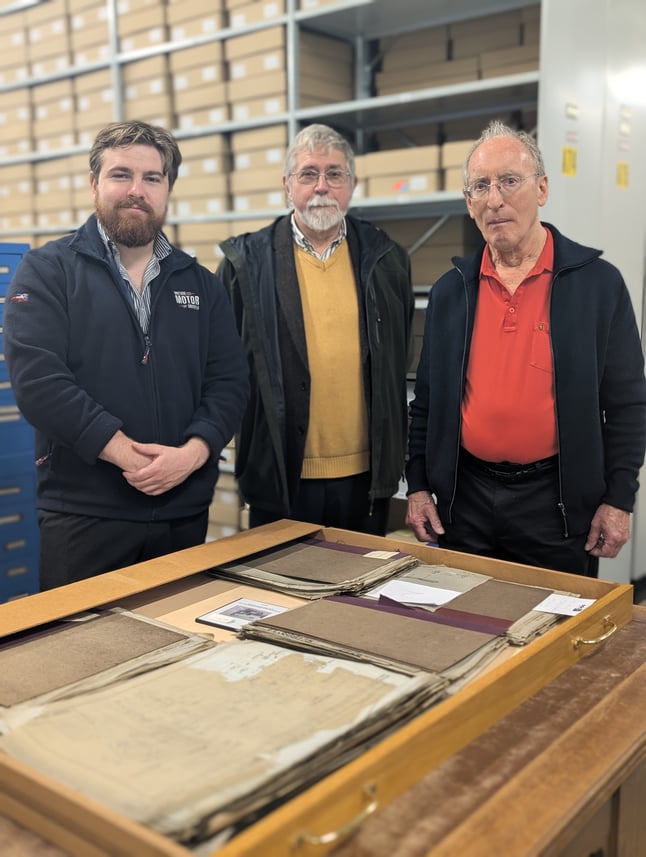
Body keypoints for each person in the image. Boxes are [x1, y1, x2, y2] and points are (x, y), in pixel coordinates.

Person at [4, 120, 249, 590]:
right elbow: (39, 383)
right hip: (84, 514)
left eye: (152, 178)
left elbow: (229, 383)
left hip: (182, 511)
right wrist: (128, 458)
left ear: (167, 189)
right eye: (121, 175)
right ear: (94, 184)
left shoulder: (199, 283)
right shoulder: (47, 272)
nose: (136, 190)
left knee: (180, 653)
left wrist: (193, 455)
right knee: (82, 657)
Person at [406, 119, 646, 577]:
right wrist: (418, 485)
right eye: (480, 186)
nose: (494, 199)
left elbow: (628, 405)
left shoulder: (597, 285)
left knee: (553, 636)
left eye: (509, 181)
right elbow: (428, 402)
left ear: (542, 189)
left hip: (555, 506)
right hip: (465, 501)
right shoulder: (451, 291)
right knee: (465, 631)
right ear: (468, 203)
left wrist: (618, 498)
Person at [217, 123, 414, 536]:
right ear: (288, 185)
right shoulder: (245, 265)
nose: (321, 186)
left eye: (334, 174)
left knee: (358, 597)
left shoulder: (387, 260)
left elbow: (398, 361)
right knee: (280, 595)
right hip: (281, 478)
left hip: (366, 479)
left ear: (353, 184)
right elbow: (220, 369)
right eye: (308, 174)